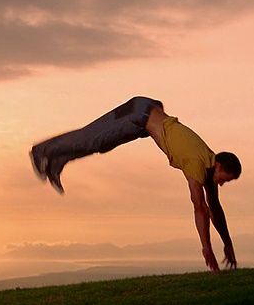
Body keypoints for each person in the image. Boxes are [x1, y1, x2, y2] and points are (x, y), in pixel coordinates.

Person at [29, 96, 241, 272]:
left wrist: (228, 244)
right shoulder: (197, 162)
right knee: (93, 139)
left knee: (101, 145)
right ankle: (40, 152)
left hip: (146, 115)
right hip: (140, 113)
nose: (221, 184)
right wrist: (207, 248)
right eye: (224, 179)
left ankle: (55, 163)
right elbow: (200, 208)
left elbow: (214, 207)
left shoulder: (209, 162)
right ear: (219, 165)